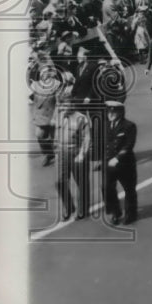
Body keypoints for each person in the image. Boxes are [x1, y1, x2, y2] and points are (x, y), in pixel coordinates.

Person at [54, 89, 92, 220]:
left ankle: (83, 210)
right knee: (59, 182)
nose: (64, 107)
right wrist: (56, 150)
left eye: (66, 104)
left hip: (77, 153)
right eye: (61, 105)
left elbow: (87, 138)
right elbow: (57, 135)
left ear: (72, 104)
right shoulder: (59, 116)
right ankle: (69, 207)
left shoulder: (81, 118)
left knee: (81, 183)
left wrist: (82, 154)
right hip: (62, 153)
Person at [102, 100, 137, 225]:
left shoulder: (129, 126)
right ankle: (115, 212)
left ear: (120, 112)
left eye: (113, 111)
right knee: (107, 188)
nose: (110, 114)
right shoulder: (105, 125)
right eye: (109, 111)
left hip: (125, 164)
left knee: (129, 189)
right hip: (109, 163)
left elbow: (129, 145)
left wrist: (117, 158)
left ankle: (131, 214)